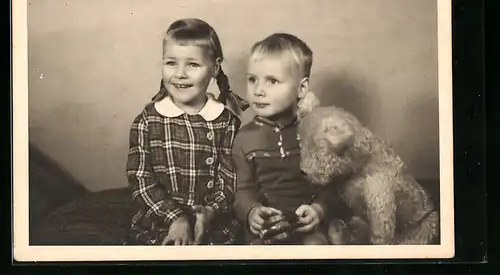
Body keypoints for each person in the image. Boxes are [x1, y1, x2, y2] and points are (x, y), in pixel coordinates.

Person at [126, 18, 249, 245]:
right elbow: (141, 180)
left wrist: (211, 212)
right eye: (171, 63)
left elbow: (231, 180)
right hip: (160, 222)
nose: (180, 74)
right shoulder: (147, 120)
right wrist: (177, 219)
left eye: (192, 64)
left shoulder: (227, 122)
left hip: (214, 224)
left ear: (215, 67)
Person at [232, 33, 344, 245]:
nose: (258, 91)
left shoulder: (315, 131)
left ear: (301, 89)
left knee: (316, 248)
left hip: (307, 226)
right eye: (252, 79)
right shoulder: (244, 138)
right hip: (266, 230)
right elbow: (243, 191)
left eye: (272, 81)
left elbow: (332, 187)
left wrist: (319, 210)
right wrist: (252, 212)